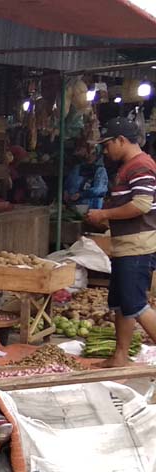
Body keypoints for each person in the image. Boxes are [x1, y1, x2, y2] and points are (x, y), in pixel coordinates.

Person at [86, 117, 156, 368]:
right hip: (126, 245)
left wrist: (104, 214)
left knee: (135, 304)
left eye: (107, 145)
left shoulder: (140, 166)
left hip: (137, 247)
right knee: (120, 303)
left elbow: (141, 204)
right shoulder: (131, 167)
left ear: (121, 140)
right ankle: (120, 356)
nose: (105, 151)